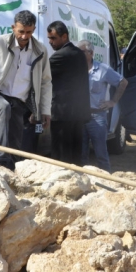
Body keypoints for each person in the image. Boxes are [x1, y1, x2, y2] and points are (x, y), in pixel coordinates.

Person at [0, 10, 52, 170]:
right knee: (3, 106)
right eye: (21, 31)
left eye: (28, 32)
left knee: (16, 142)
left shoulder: (40, 51)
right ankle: (1, 159)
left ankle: (12, 171)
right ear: (13, 27)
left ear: (34, 30)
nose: (24, 36)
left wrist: (45, 110)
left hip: (20, 101)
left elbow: (45, 82)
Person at [78, 39, 128, 172]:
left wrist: (113, 102)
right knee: (81, 156)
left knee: (101, 154)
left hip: (97, 117)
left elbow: (123, 82)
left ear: (91, 53)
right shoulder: (76, 69)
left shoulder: (102, 69)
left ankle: (107, 183)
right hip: (79, 117)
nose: (79, 55)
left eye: (82, 52)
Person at [46, 21, 90, 165]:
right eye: (49, 39)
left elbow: (39, 75)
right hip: (78, 114)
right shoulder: (79, 54)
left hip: (63, 114)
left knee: (60, 157)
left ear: (64, 36)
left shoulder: (60, 56)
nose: (50, 42)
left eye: (53, 38)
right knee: (75, 155)